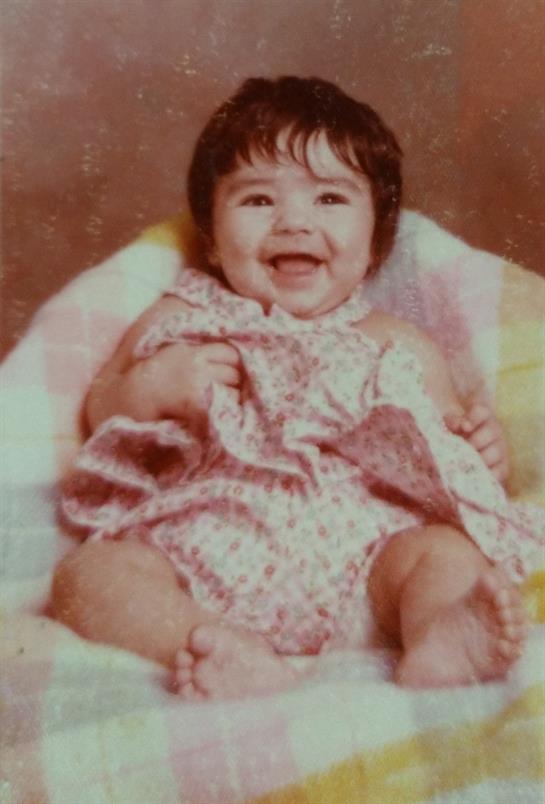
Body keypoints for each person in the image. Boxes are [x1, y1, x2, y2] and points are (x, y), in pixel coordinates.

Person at [51, 76, 541, 700]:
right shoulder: (187, 313)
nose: (292, 223)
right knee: (92, 575)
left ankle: (437, 632)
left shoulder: (396, 341)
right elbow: (102, 405)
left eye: (330, 199)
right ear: (210, 235)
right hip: (197, 552)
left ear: (376, 242)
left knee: (439, 553)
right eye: (257, 201)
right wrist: (152, 384)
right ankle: (208, 646)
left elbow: (450, 451)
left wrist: (482, 449)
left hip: (365, 564)